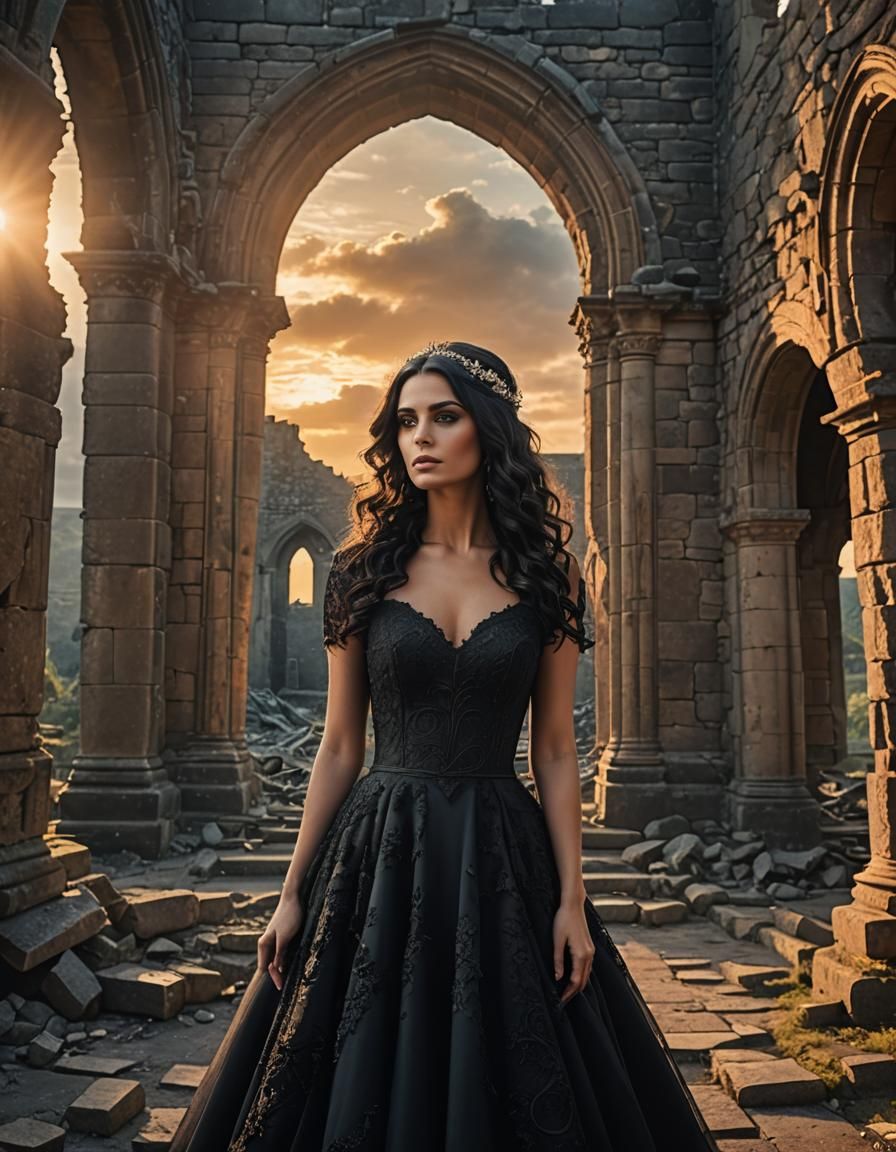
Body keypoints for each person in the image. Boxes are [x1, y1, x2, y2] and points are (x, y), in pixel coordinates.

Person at [170, 341, 719, 1151]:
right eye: (405, 421)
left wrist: (571, 900)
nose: (419, 437)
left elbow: (558, 748)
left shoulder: (548, 574)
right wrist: (292, 893)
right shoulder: (363, 570)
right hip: (378, 851)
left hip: (501, 852)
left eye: (444, 417)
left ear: (487, 429)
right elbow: (339, 746)